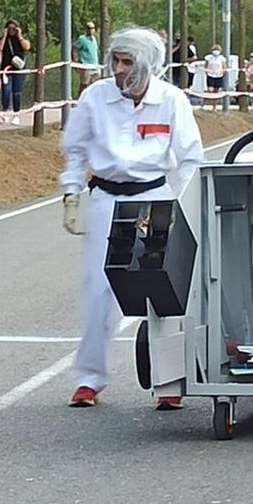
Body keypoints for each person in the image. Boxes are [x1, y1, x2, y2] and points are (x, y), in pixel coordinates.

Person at [59, 28, 203, 410]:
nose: (120, 70)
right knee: (97, 288)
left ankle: (169, 379)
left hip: (155, 197)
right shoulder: (95, 97)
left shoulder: (170, 100)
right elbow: (74, 148)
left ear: (148, 66)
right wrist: (72, 191)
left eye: (128, 62)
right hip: (107, 197)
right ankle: (89, 378)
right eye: (116, 61)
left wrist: (183, 206)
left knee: (162, 289)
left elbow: (190, 158)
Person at [0, 20, 32, 113]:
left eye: (13, 28)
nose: (11, 30)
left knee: (17, 92)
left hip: (18, 69)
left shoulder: (21, 39)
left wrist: (20, 36)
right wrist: (5, 35)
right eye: (9, 28)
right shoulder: (4, 39)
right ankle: (5, 110)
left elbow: (27, 47)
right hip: (6, 69)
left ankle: (16, 112)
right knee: (6, 90)